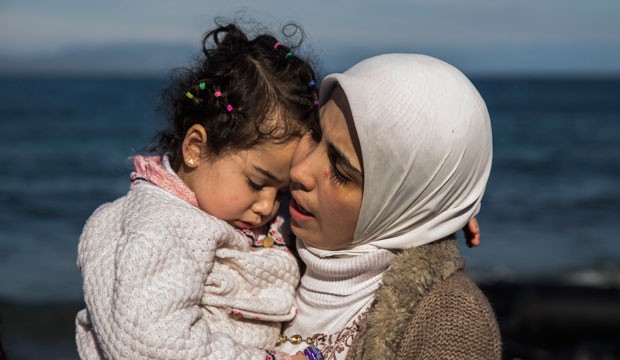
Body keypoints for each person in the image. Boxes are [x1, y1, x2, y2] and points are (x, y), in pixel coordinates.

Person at [75, 23, 319, 360]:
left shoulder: (233, 213)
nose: (268, 206)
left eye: (282, 190)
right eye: (257, 182)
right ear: (195, 149)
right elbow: (149, 341)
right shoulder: (161, 225)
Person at [277, 54, 502, 359]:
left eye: (341, 173)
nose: (299, 172)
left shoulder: (451, 321)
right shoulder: (251, 230)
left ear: (405, 205)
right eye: (314, 135)